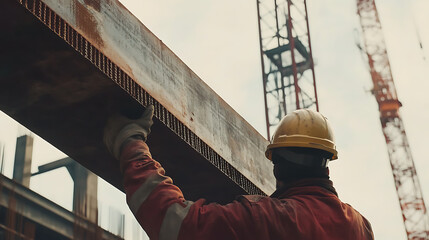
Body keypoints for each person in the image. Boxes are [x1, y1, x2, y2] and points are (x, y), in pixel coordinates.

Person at [103, 105, 374, 240]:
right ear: (327, 161)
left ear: (276, 164)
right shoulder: (360, 227)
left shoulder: (267, 218)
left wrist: (131, 142)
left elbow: (175, 223)